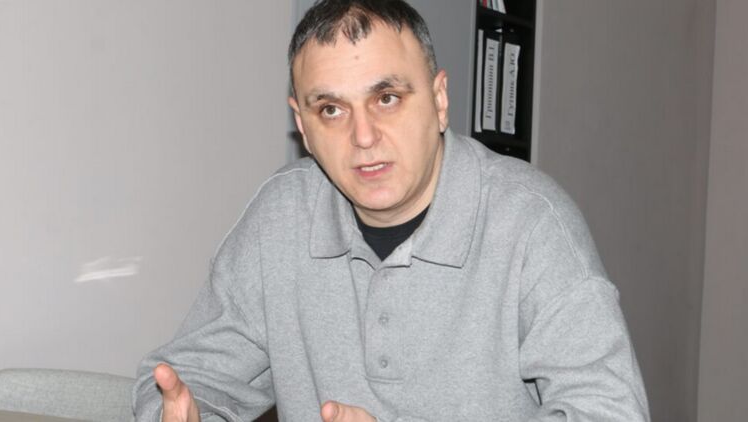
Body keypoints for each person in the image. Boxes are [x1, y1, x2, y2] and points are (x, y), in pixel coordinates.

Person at [132, 0, 650, 421]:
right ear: (303, 127)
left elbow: (609, 411)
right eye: (331, 109)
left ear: (440, 99)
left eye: (386, 98)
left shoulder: (532, 222)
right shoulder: (281, 218)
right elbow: (188, 377)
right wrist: (176, 412)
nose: (363, 136)